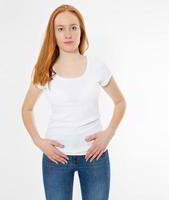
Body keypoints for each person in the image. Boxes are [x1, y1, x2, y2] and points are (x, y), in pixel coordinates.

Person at [21, 4, 126, 200]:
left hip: (94, 156)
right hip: (56, 158)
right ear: (54, 34)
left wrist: (109, 134)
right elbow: (27, 109)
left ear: (81, 30)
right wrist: (38, 141)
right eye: (61, 29)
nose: (68, 34)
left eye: (73, 27)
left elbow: (120, 101)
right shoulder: (45, 70)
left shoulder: (97, 67)